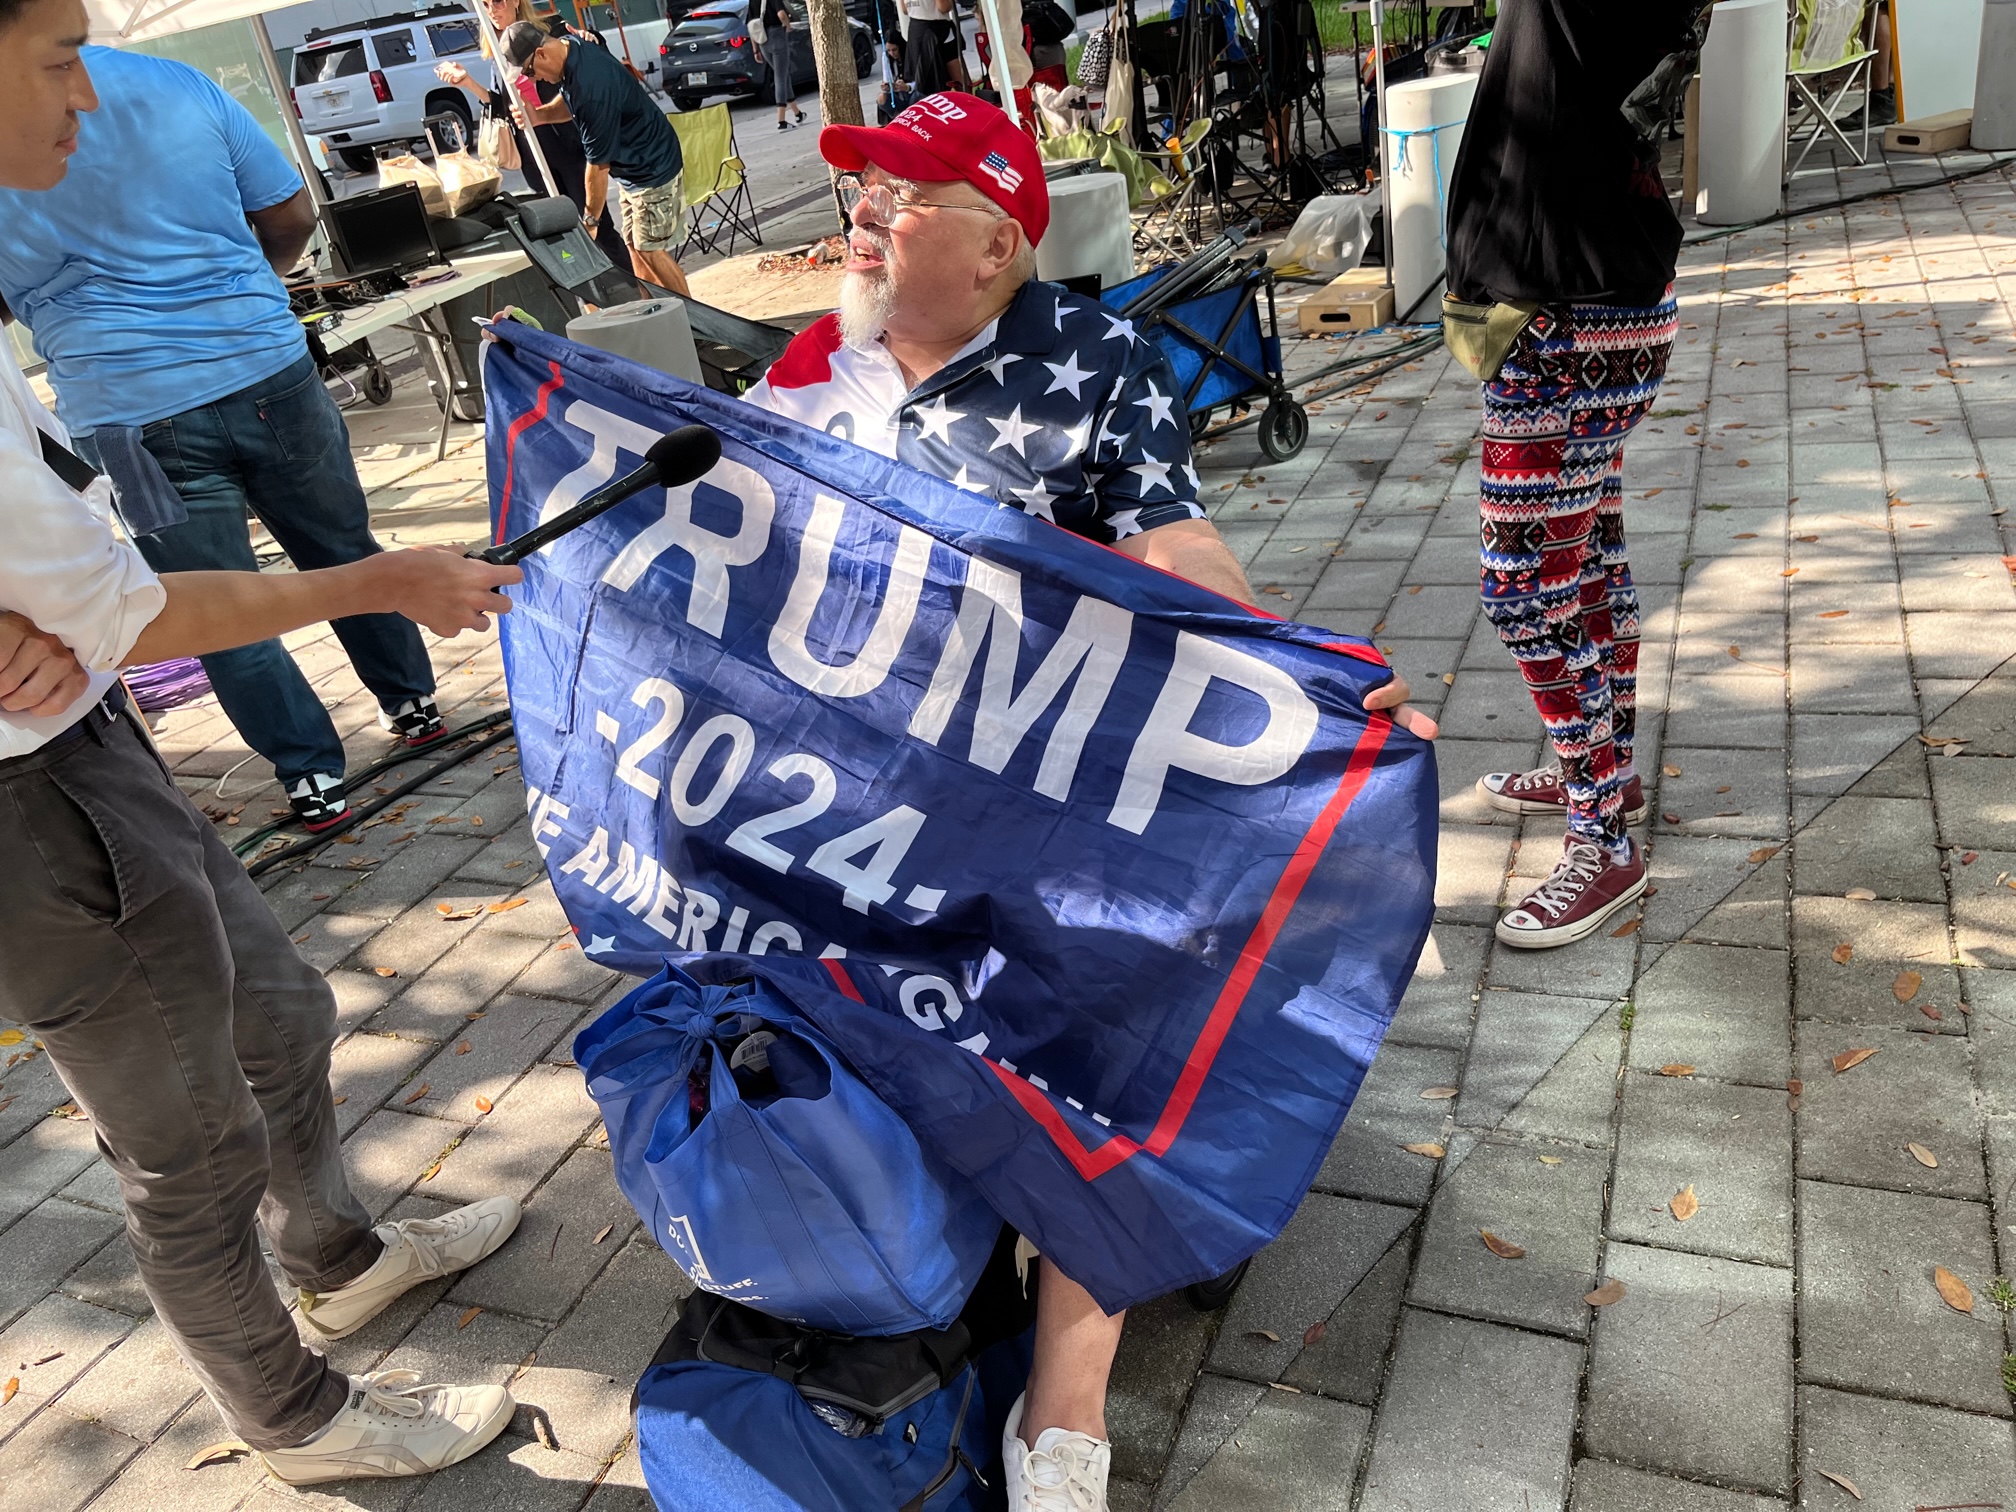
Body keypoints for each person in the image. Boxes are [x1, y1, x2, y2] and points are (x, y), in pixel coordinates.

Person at [743, 91, 1434, 1512]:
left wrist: (1301, 683)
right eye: (859, 189)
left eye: (894, 198)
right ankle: (905, 1262)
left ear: (995, 245)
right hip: (864, 788)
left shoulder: (1087, 354)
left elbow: (1176, 542)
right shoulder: (805, 370)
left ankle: (1068, 1389)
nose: (857, 219)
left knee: (1106, 1024)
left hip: (1051, 786)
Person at [0, 0, 532, 1482]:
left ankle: (341, 1254)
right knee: (187, 1147)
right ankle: (293, 1418)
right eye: (56, 61)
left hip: (87, 746)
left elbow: (96, 612)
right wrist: (383, 581)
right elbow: (130, 610)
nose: (87, 102)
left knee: (281, 1013)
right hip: (30, 810)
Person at [0, 45, 466, 836]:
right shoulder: (174, 80)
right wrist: (240, 288)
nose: (77, 99)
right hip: (264, 364)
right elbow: (290, 213)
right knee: (343, 549)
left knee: (208, 599)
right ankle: (413, 702)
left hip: (127, 410)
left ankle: (312, 773)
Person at [1444, 3, 1698, 948]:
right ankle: (1604, 769)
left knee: (1521, 591)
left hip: (1567, 316)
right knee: (1583, 559)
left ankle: (1604, 834)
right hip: (1586, 297)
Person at [436, 0, 632, 273]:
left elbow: (588, 53)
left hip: (570, 147)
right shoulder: (497, 50)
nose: (492, 10)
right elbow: (501, 106)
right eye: (484, 5)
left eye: (498, 2)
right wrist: (467, 82)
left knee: (598, 226)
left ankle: (629, 289)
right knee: (563, 235)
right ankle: (594, 296)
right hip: (534, 155)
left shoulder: (549, 28)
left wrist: (590, 38)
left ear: (516, 1)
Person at [503, 19, 692, 296]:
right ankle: (659, 314)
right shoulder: (573, 47)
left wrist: (590, 221)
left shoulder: (591, 86)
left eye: (529, 71)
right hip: (634, 167)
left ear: (541, 54)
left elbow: (597, 165)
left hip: (652, 165)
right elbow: (571, 104)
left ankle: (698, 326)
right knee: (634, 246)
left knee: (647, 248)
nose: (533, 79)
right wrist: (539, 115)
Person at [756, 0, 809, 131]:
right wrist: (787, 26)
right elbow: (781, 14)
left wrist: (755, 49)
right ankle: (781, 121)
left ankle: (797, 113)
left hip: (762, 42)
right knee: (780, 76)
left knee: (783, 74)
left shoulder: (753, 2)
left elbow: (751, 26)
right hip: (777, 36)